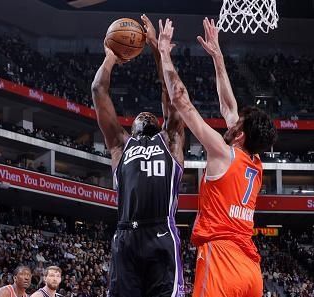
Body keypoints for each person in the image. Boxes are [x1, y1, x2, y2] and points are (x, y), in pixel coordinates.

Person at [158, 18, 277, 297]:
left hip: (222, 258)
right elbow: (228, 105)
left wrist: (163, 53)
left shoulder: (224, 152)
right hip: (250, 267)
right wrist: (218, 57)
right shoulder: (256, 162)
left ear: (240, 135)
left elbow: (181, 100)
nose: (230, 122)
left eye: (236, 124)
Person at [91, 14, 185, 297]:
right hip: (126, 236)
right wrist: (111, 56)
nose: (145, 114)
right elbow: (98, 90)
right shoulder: (120, 145)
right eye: (139, 115)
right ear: (130, 125)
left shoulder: (171, 139)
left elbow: (173, 95)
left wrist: (158, 51)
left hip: (161, 234)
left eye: (150, 113)